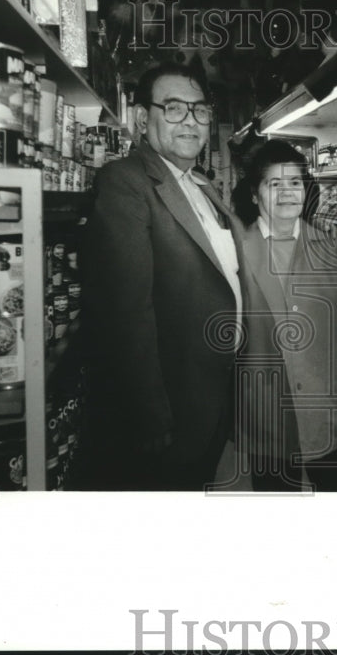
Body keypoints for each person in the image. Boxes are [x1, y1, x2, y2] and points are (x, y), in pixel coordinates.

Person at [74, 63, 242, 490]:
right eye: (173, 108)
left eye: (200, 110)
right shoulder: (127, 182)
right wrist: (147, 413)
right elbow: (123, 310)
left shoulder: (203, 186)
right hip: (172, 409)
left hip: (214, 397)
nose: (190, 120)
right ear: (142, 118)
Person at [231, 139, 337, 492]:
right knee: (277, 501)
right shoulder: (235, 250)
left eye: (295, 183)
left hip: (329, 401)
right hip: (265, 406)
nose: (287, 192)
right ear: (255, 195)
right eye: (275, 184)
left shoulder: (331, 247)